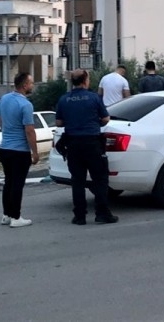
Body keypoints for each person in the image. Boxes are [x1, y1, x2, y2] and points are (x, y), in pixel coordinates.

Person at [56, 69, 118, 225]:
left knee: (77, 181)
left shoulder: (64, 100)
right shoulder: (94, 98)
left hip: (73, 145)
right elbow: (105, 118)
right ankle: (102, 213)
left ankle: (79, 216)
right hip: (92, 143)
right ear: (85, 81)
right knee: (100, 179)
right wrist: (93, 122)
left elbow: (58, 123)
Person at [0, 72, 39, 228]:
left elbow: (1, 121)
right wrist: (34, 152)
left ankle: (6, 214)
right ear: (24, 85)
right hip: (19, 150)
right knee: (17, 184)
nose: (32, 85)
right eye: (31, 83)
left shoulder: (4, 99)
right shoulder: (26, 105)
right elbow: (29, 130)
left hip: (5, 148)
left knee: (9, 182)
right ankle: (16, 217)